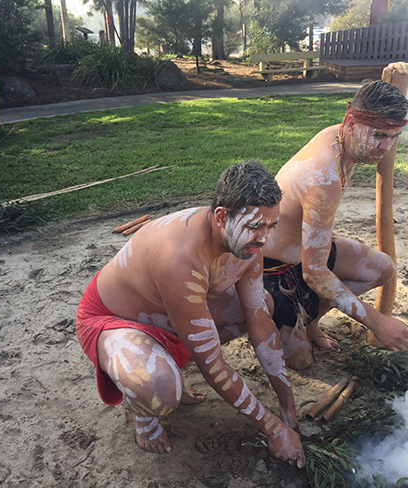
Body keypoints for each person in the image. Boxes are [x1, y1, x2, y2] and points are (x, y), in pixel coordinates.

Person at [76, 161, 305, 468]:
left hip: (172, 314)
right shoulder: (181, 259)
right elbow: (212, 366)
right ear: (222, 216)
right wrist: (273, 428)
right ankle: (144, 416)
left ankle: (168, 361)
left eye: (270, 226)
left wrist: (287, 407)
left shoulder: (246, 244)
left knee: (264, 304)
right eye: (255, 227)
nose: (264, 238)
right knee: (159, 389)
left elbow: (259, 322)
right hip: (115, 320)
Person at [263, 62, 408, 369]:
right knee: (300, 361)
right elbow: (315, 274)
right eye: (379, 135)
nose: (386, 147)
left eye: (393, 136)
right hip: (270, 270)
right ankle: (280, 321)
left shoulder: (342, 136)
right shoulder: (323, 178)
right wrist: (376, 322)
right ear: (351, 122)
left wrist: (391, 80)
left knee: (382, 268)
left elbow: (316, 263)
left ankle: (308, 322)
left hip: (307, 251)